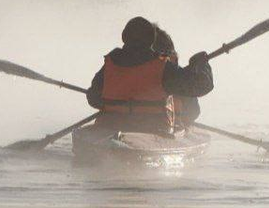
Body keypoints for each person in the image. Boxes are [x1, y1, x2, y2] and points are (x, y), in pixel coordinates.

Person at [86, 16, 214, 134]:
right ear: (150, 40)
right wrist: (201, 64)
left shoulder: (111, 64)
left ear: (124, 37)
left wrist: (121, 107)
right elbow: (203, 86)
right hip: (153, 130)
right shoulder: (163, 67)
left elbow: (93, 98)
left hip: (111, 127)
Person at [152, 28, 203, 128]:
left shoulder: (126, 69)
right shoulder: (173, 75)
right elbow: (193, 112)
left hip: (125, 126)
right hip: (164, 128)